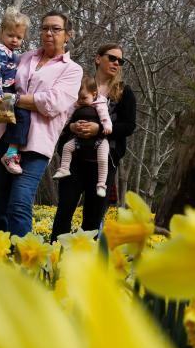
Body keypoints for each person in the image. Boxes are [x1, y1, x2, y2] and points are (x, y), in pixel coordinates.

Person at [0, 11, 83, 238]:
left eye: (56, 29)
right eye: (44, 27)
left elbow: (52, 103)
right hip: (2, 134)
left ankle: (23, 261)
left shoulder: (72, 70)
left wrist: (12, 99)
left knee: (19, 203)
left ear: (68, 35)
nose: (49, 33)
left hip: (36, 145)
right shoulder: (24, 57)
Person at [50, 43, 137, 240]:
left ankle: (86, 265)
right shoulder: (80, 85)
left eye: (120, 61)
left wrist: (100, 130)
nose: (116, 63)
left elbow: (129, 126)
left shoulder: (124, 92)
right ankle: (53, 261)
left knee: (92, 219)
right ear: (98, 58)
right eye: (111, 58)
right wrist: (71, 127)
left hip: (103, 163)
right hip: (74, 161)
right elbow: (61, 115)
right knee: (64, 212)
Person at [0, 7, 31, 174]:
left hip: (8, 88)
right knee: (21, 116)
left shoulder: (12, 53)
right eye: (10, 35)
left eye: (19, 37)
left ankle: (11, 152)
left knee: (17, 118)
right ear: (1, 32)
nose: (14, 40)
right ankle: (11, 154)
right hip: (1, 88)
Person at [51, 76, 112, 196]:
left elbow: (104, 115)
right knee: (67, 147)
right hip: (80, 139)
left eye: (84, 98)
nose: (81, 101)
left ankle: (101, 185)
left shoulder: (99, 103)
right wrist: (67, 126)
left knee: (103, 158)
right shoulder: (76, 104)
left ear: (94, 94)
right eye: (78, 98)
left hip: (99, 140)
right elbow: (67, 115)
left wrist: (106, 126)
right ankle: (64, 169)